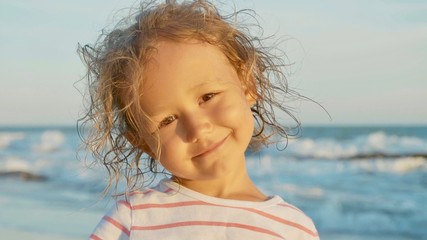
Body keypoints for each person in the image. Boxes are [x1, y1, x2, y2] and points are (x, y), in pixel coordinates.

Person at [78, 0, 319, 239]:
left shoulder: (293, 228)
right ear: (141, 142)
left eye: (208, 97)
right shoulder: (135, 218)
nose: (198, 129)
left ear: (248, 85)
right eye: (168, 120)